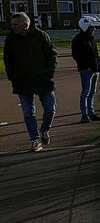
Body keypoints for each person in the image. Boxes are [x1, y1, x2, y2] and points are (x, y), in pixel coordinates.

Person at [3, 12, 58, 152]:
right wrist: (12, 76)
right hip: (22, 81)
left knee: (50, 108)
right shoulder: (11, 39)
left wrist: (49, 73)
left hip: (42, 79)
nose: (12, 27)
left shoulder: (41, 36)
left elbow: (52, 54)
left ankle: (45, 129)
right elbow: (7, 59)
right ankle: (35, 140)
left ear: (25, 24)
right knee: (28, 113)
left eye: (15, 24)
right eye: (12, 24)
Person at [71, 16, 100, 123]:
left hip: (95, 69)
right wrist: (87, 66)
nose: (94, 29)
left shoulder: (91, 39)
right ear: (86, 27)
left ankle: (91, 112)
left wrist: (99, 64)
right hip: (86, 70)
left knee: (92, 92)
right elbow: (76, 56)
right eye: (92, 27)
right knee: (86, 92)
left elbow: (95, 53)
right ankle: (84, 114)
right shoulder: (78, 40)